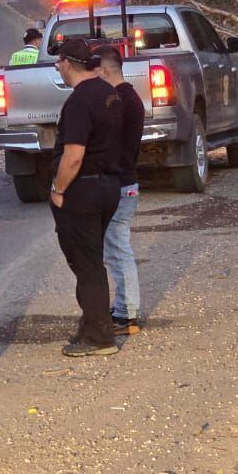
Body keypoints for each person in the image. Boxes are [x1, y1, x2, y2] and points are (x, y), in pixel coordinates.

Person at [49, 38, 123, 357]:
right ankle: (92, 323)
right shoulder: (110, 94)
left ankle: (99, 336)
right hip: (109, 185)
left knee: (87, 263)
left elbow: (74, 156)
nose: (57, 67)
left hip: (84, 190)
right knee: (90, 260)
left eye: (58, 63)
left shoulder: (80, 101)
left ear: (68, 63)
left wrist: (58, 189)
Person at [96, 45, 145, 335]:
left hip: (122, 182)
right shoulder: (131, 97)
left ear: (105, 69)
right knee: (117, 246)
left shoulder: (120, 100)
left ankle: (127, 313)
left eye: (96, 70)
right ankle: (124, 307)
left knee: (117, 249)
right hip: (127, 180)